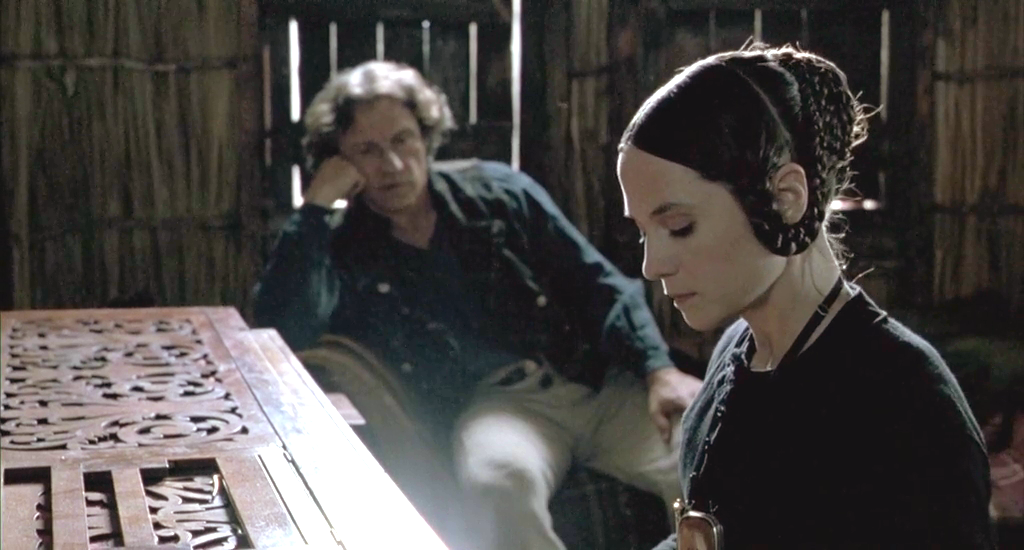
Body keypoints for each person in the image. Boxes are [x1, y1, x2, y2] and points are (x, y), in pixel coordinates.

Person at [253, 60, 702, 550]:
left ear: (426, 138)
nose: (393, 165)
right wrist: (316, 207)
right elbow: (282, 331)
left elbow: (597, 283)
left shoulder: (498, 192)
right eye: (367, 150)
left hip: (595, 383)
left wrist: (659, 371)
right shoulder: (342, 246)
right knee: (499, 486)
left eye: (403, 140)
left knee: (705, 456)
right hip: (500, 408)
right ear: (341, 163)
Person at [616, 43, 995, 549]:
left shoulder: (907, 409)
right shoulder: (735, 355)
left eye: (679, 226)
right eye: (643, 232)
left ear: (785, 198)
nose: (652, 265)